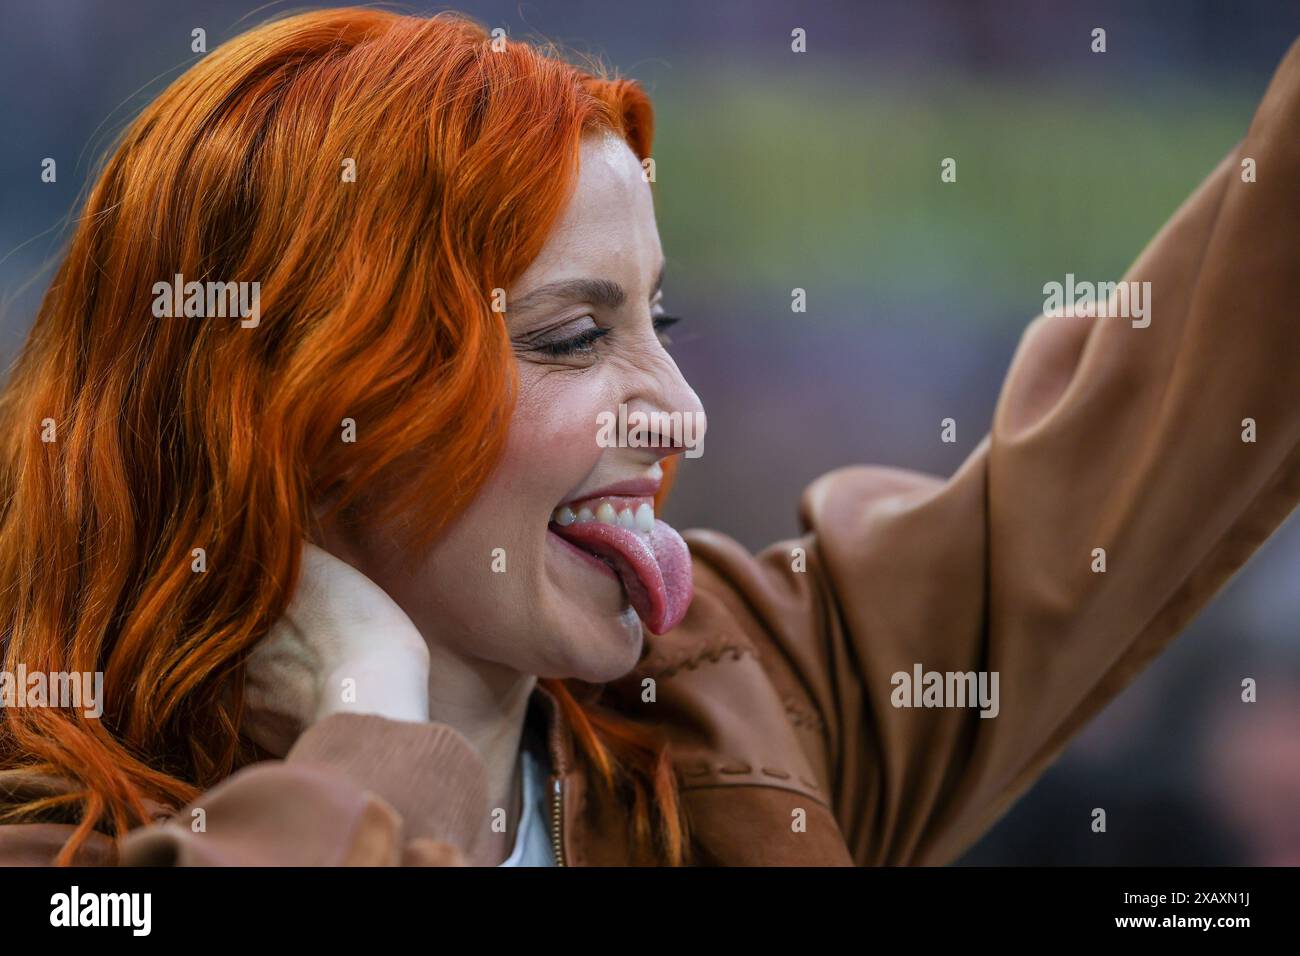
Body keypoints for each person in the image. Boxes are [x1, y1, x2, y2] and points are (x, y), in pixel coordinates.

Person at [0, 8, 1296, 867]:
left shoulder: (745, 689)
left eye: (661, 319)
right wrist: (371, 743)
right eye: (574, 337)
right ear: (294, 407)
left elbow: (1182, 390)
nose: (679, 410)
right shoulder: (47, 826)